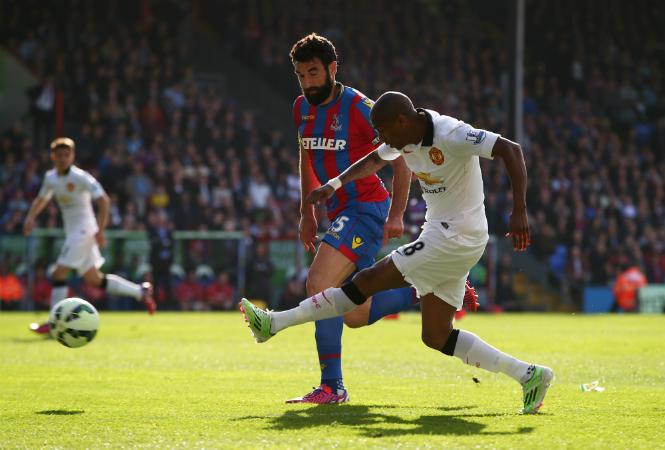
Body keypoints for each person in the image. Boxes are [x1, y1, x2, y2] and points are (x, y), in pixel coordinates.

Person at [241, 91, 553, 414]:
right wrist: (333, 185)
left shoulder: (451, 134)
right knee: (436, 336)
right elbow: (375, 159)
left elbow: (511, 149)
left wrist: (520, 210)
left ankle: (274, 323)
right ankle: (529, 375)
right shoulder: (405, 137)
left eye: (384, 131)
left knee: (365, 282)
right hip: (442, 234)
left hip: (457, 236)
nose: (382, 138)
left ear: (402, 121)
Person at [285, 33, 415, 404]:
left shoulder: (359, 107)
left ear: (332, 68)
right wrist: (306, 212)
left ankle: (332, 387)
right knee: (355, 313)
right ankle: (426, 287)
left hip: (366, 208)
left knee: (320, 284)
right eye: (301, 75)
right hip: (339, 212)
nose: (307, 83)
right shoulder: (301, 108)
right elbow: (307, 158)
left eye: (313, 73)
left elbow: (401, 158)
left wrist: (397, 213)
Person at [24, 137, 156, 334]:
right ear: (53, 157)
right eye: (59, 155)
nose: (63, 158)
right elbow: (41, 199)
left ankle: (54, 322)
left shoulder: (81, 177)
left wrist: (100, 230)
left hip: (84, 231)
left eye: (66, 154)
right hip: (73, 232)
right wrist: (30, 218)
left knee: (59, 273)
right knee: (94, 279)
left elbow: (104, 201)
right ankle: (140, 291)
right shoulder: (51, 178)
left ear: (72, 156)